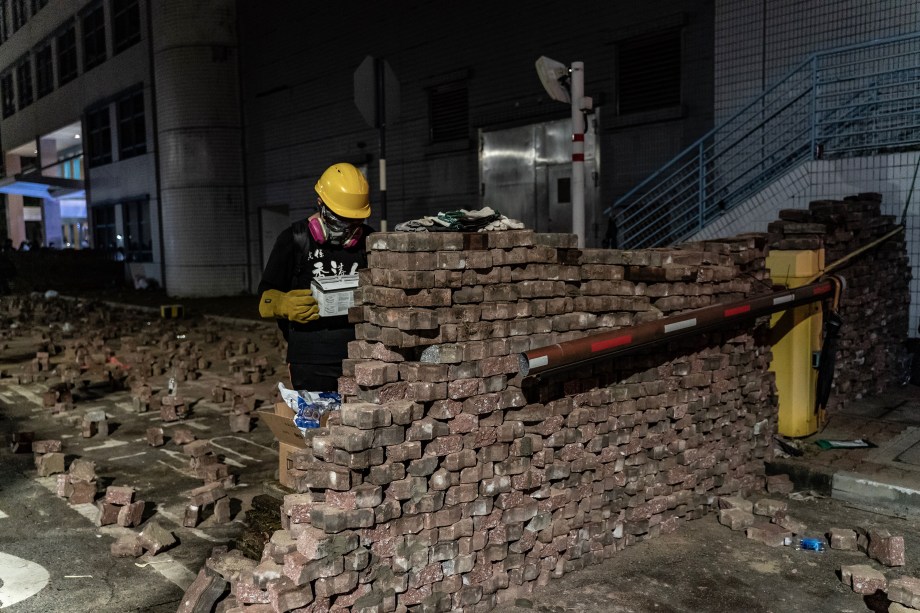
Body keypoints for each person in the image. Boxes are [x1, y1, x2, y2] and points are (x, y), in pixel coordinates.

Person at [258, 162, 374, 392]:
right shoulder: (294, 239)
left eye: (354, 222)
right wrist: (282, 304)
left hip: (362, 354)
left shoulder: (370, 242)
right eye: (340, 220)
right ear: (320, 204)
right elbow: (264, 299)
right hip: (310, 361)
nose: (347, 229)